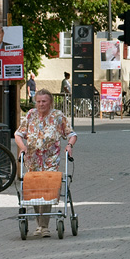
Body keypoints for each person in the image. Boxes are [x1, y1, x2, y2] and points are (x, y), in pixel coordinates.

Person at [14, 89, 77, 237]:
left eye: (44, 101)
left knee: (47, 189)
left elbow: (71, 134)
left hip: (51, 159)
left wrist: (69, 146)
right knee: (35, 190)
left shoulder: (57, 116)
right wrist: (22, 147)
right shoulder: (30, 115)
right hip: (32, 159)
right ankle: (39, 225)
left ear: (50, 102)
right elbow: (18, 134)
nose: (41, 104)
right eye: (38, 101)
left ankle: (45, 226)